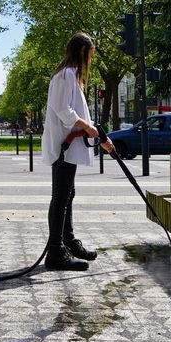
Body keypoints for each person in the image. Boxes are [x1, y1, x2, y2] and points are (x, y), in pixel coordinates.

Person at [43, 32, 114, 271]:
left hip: (68, 144)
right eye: (90, 54)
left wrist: (97, 134)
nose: (91, 60)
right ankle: (55, 252)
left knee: (67, 195)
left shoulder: (70, 76)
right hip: (64, 146)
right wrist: (87, 126)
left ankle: (68, 242)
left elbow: (73, 113)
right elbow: (65, 111)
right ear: (83, 51)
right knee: (61, 197)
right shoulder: (66, 76)